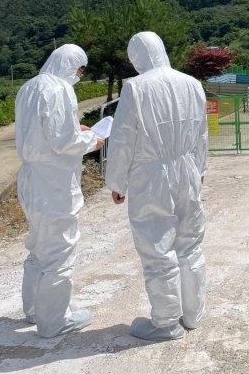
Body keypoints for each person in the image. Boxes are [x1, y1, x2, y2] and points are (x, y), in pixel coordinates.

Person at [106, 31, 207, 342]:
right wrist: (199, 168)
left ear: (137, 56)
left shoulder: (135, 88)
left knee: (157, 246)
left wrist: (117, 181)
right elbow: (202, 134)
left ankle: (165, 323)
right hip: (187, 167)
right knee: (190, 243)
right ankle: (193, 314)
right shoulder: (192, 83)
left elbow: (123, 139)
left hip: (152, 174)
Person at [14, 44, 105, 338]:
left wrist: (76, 129)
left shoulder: (29, 87)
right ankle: (54, 321)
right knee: (60, 251)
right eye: (80, 68)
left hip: (31, 176)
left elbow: (42, 130)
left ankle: (35, 310)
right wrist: (93, 140)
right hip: (53, 182)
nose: (80, 75)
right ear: (70, 65)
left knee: (39, 247)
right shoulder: (61, 89)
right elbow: (63, 143)